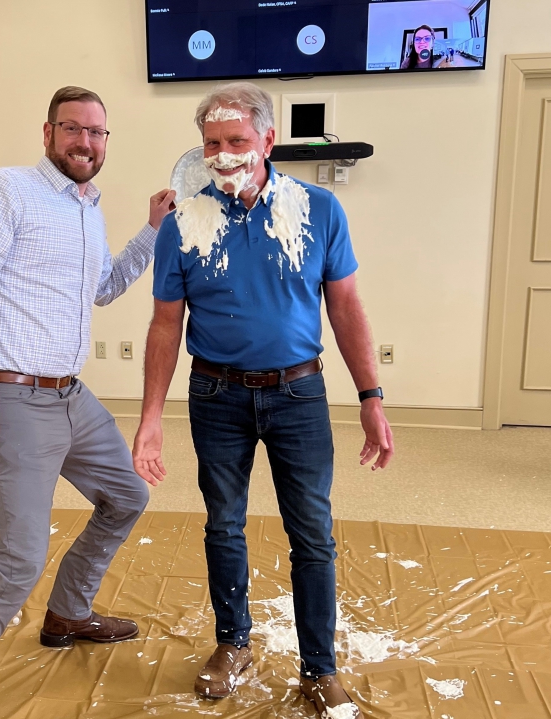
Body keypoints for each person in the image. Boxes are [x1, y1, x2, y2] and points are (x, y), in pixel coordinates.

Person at [0, 85, 176, 719]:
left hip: (69, 395)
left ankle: (68, 613)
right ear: (49, 133)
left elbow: (104, 287)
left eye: (96, 132)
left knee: (127, 495)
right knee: (20, 557)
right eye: (73, 128)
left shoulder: (87, 207)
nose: (85, 141)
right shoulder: (3, 191)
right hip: (9, 396)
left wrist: (151, 230)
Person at [132, 82, 394, 719]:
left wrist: (371, 396)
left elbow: (346, 307)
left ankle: (319, 669)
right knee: (223, 524)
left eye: (237, 140)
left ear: (268, 141)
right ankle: (233, 644)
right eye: (211, 143)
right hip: (214, 392)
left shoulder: (319, 209)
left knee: (312, 534)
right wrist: (149, 419)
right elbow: (165, 324)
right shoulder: (182, 222)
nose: (223, 154)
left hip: (299, 393)